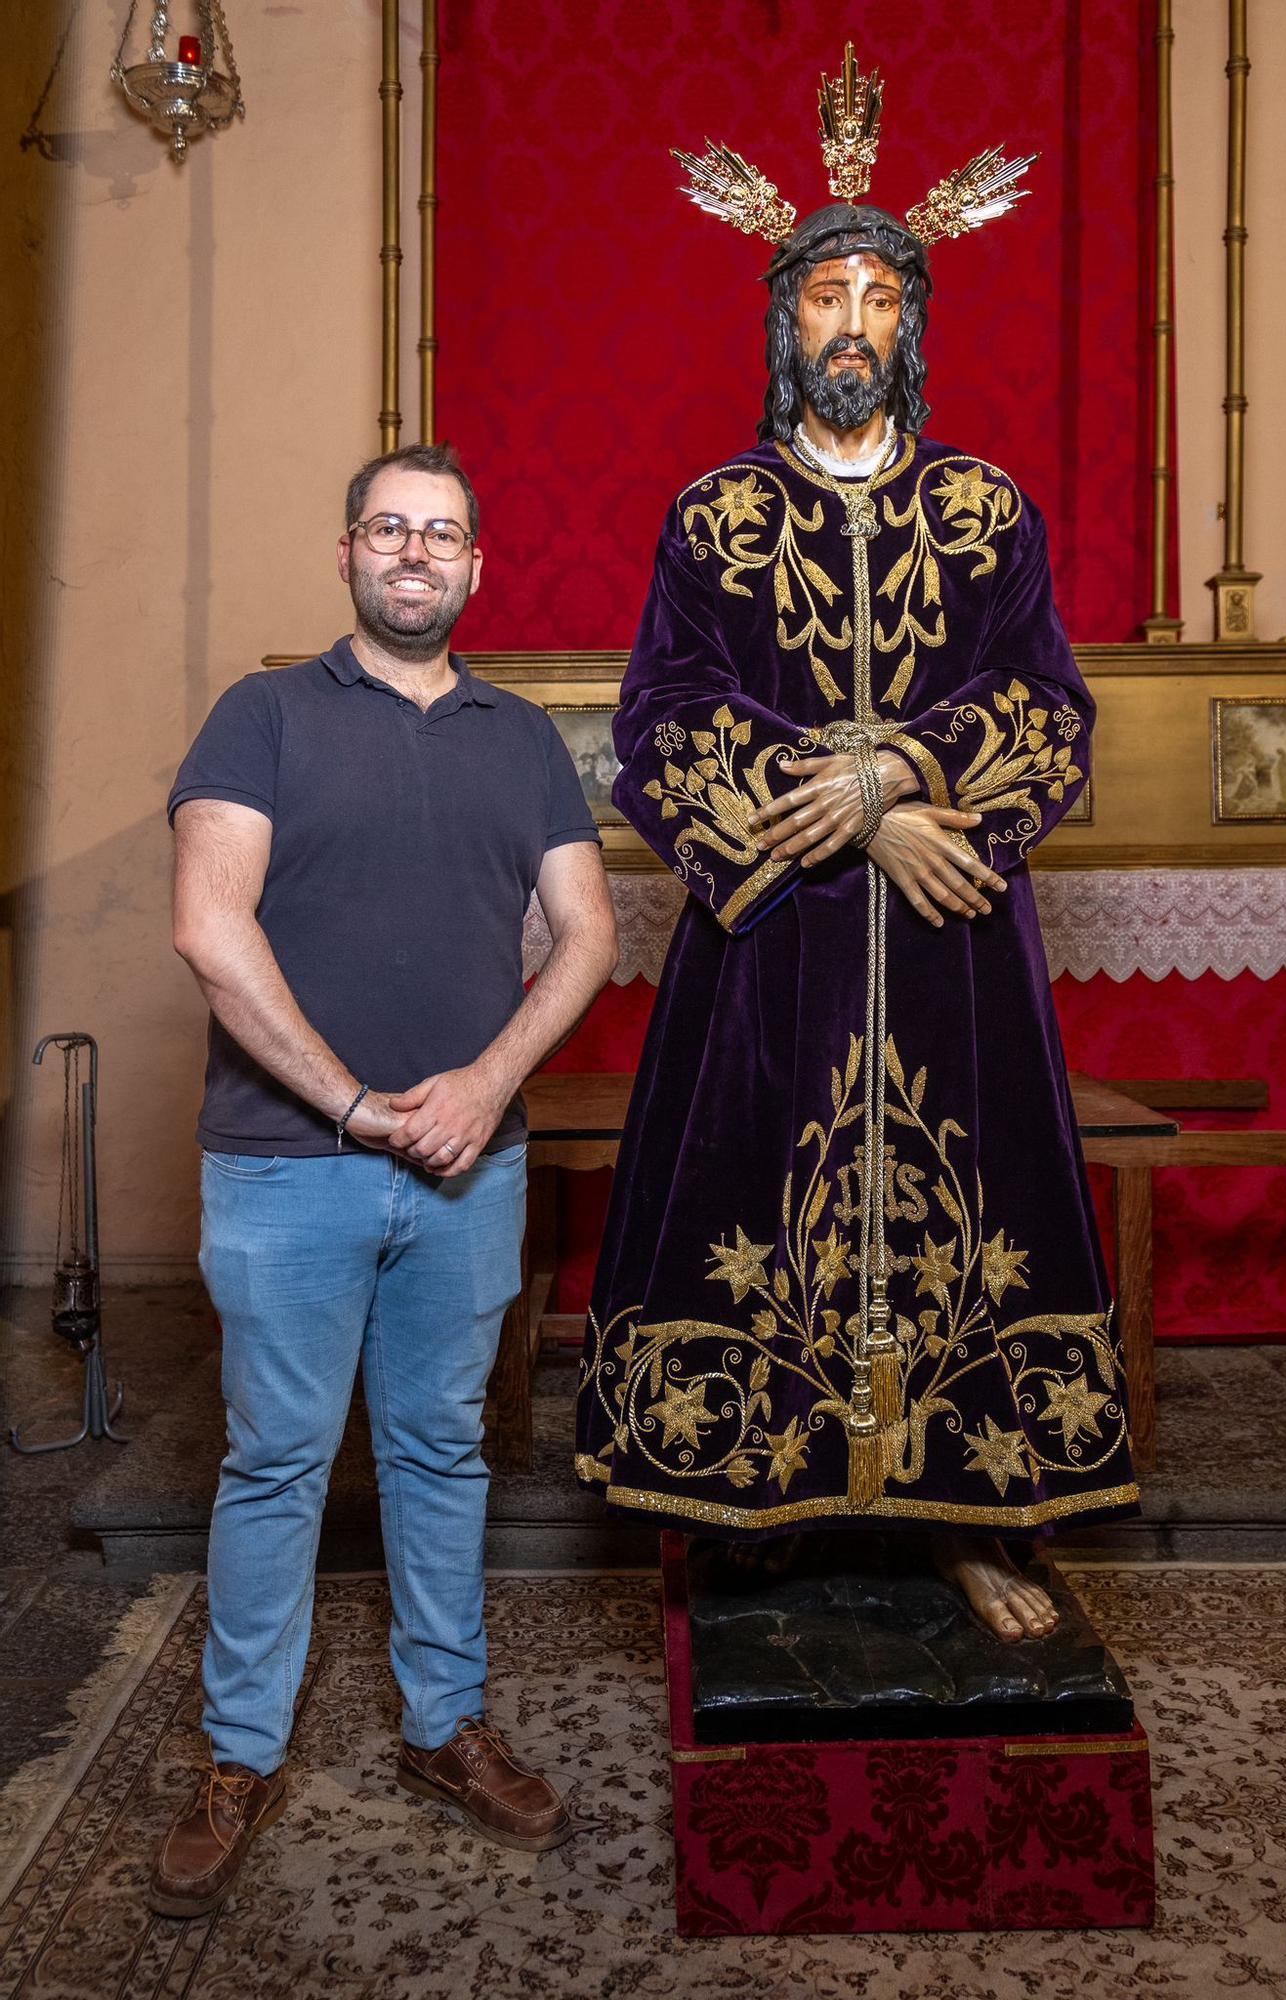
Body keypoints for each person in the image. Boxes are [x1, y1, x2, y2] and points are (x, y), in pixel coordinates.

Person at [575, 48, 1137, 1644]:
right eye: (826, 301)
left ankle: (970, 1520)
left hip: (958, 944)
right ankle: (759, 1499)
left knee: (976, 1213)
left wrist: (896, 783)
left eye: (882, 302)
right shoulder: (713, 519)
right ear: (783, 327)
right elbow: (662, 717)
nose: (853, 328)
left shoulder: (990, 512)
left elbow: (1048, 705)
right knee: (757, 1192)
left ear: (913, 330)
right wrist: (826, 817)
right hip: (777, 947)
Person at [150, 441, 618, 1918]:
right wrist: (355, 1105)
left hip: (471, 1172)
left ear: (478, 570)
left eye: (444, 536)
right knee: (277, 1461)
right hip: (290, 1168)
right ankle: (239, 1755)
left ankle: (441, 1727)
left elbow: (590, 933)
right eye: (388, 529)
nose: (415, 553)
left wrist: (483, 1087)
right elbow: (211, 930)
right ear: (347, 552)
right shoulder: (266, 714)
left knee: (439, 1454)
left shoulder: (521, 739)